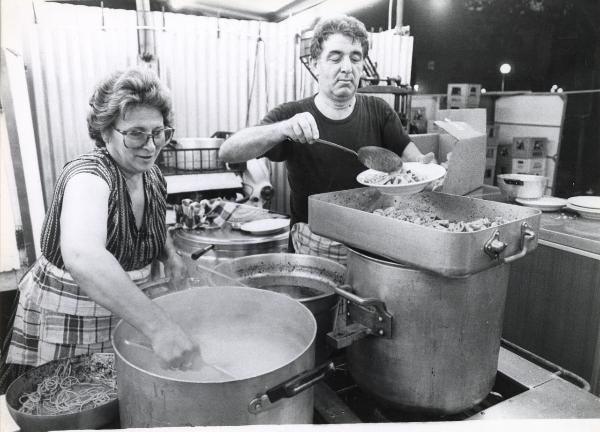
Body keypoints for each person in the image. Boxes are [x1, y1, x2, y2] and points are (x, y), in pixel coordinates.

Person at [1, 67, 197, 390]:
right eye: (135, 133)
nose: (151, 146)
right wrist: (160, 326)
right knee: (73, 400)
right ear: (106, 132)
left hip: (126, 314)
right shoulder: (89, 176)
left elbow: (153, 226)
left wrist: (172, 256)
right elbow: (83, 255)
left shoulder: (152, 177)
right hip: (68, 320)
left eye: (159, 132)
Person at [219, 15, 435, 262]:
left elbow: (415, 163)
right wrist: (282, 129)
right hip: (313, 244)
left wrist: (429, 171)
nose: (347, 67)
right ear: (315, 64)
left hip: (372, 243)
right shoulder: (292, 115)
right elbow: (228, 151)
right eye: (335, 57)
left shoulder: (379, 111)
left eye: (355, 58)